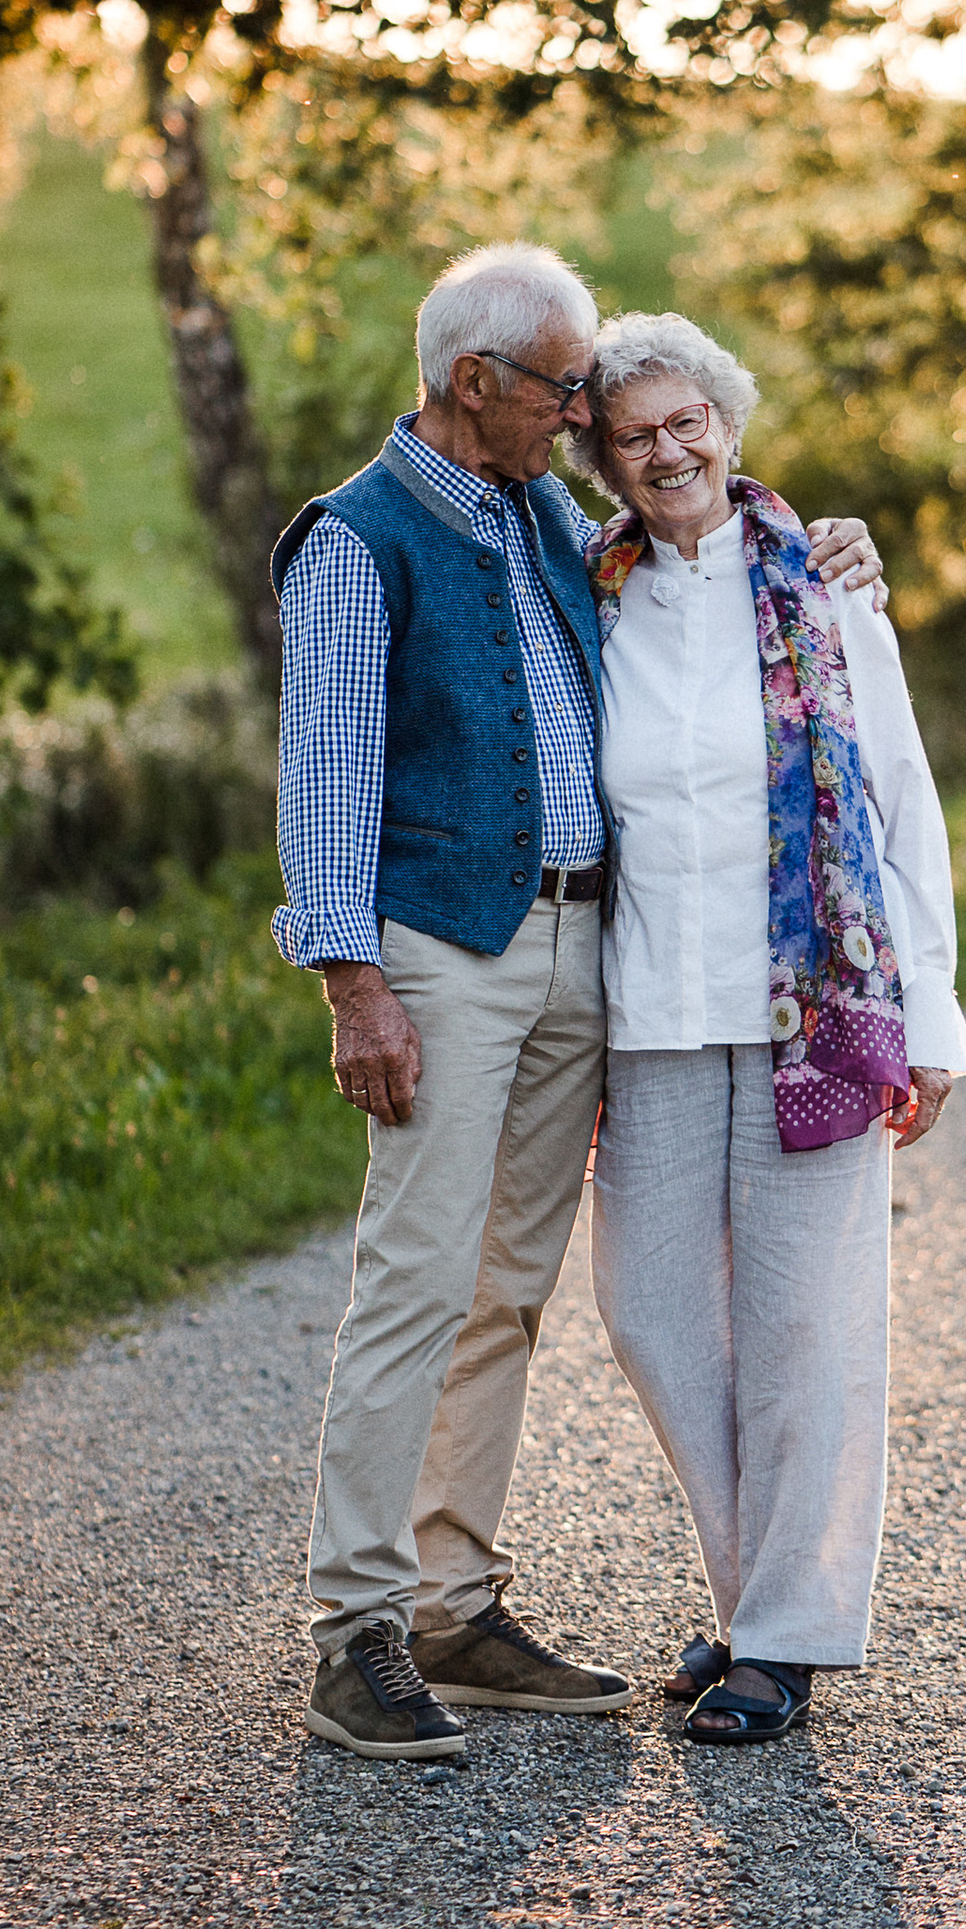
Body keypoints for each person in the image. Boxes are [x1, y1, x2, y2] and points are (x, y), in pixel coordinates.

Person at [270, 243, 890, 1764]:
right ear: (473, 381)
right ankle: (358, 1626)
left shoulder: (552, 513)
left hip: (582, 954)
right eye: (563, 387)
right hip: (444, 953)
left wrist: (826, 548)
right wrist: (353, 983)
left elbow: (707, 556)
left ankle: (454, 1602)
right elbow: (326, 776)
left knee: (508, 1291)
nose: (584, 411)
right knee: (418, 1275)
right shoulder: (358, 541)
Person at [578, 312, 966, 1748]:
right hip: (650, 1013)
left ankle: (785, 1640)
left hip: (814, 1008)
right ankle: (754, 1599)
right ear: (605, 461)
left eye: (689, 421)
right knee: (654, 1314)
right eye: (636, 435)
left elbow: (903, 798)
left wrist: (930, 1009)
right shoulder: (593, 592)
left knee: (807, 1325)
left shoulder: (823, 577)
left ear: (728, 424)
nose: (669, 449)